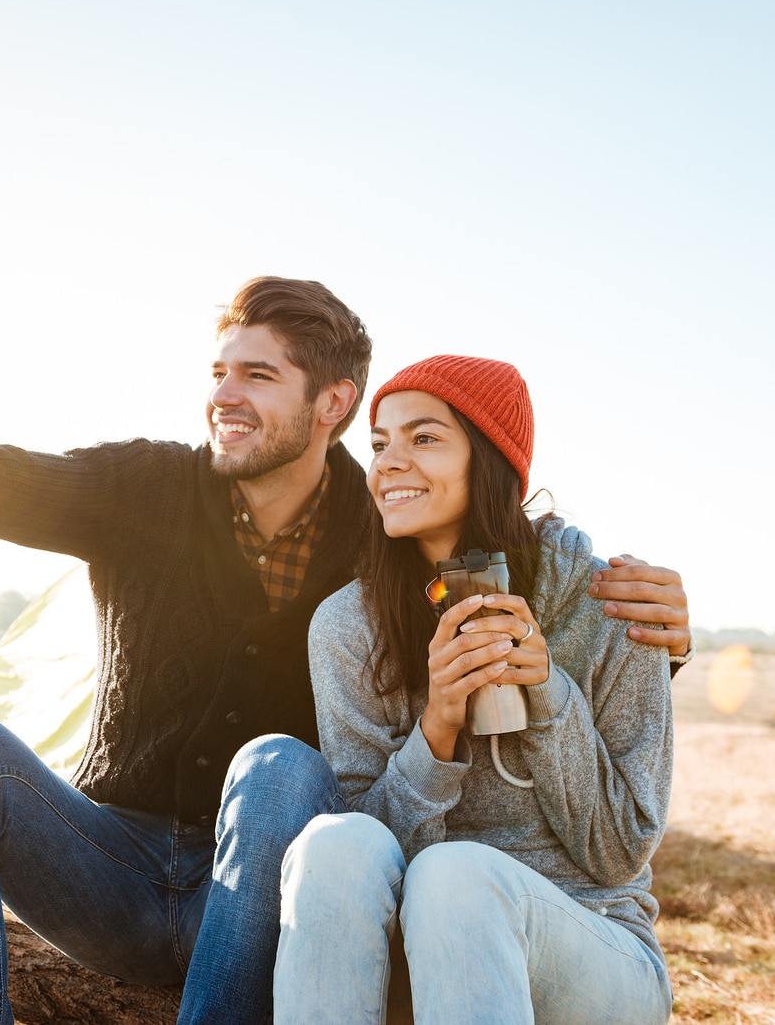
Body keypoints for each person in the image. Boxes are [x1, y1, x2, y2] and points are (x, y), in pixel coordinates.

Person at [0, 279, 691, 1024]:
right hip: (108, 866)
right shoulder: (141, 490)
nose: (222, 395)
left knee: (280, 767)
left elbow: (512, 560)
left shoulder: (387, 532)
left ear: (329, 404)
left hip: (259, 887)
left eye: (255, 376)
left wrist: (655, 637)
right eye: (218, 371)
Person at [274, 355, 674, 1025]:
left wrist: (546, 694)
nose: (388, 462)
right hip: (421, 954)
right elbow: (363, 869)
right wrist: (436, 731)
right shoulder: (347, 624)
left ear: (491, 461)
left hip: (595, 943)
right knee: (334, 842)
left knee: (457, 874)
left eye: (424, 437)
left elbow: (620, 851)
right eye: (379, 444)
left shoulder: (612, 604)